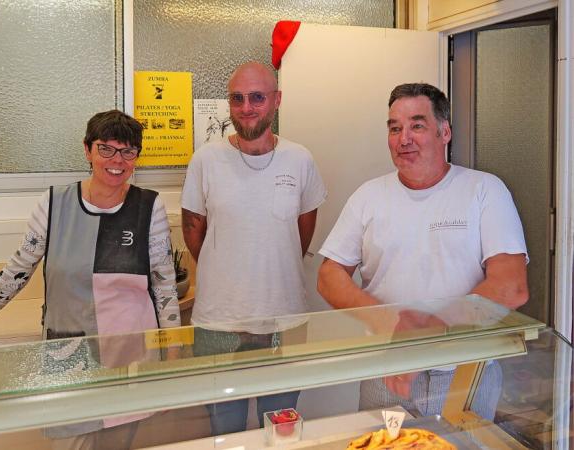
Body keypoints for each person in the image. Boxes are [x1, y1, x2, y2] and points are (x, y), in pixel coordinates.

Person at [0, 110, 182, 450]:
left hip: (130, 351)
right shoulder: (53, 204)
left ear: (136, 156)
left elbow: (164, 285)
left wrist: (172, 361)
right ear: (87, 150)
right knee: (68, 440)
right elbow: (16, 272)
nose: (116, 160)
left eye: (127, 151)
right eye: (105, 149)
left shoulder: (148, 207)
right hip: (67, 352)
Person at [317, 83, 529, 420]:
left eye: (417, 125)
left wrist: (428, 327)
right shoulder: (368, 197)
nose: (404, 139)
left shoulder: (484, 190)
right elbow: (329, 275)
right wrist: (391, 321)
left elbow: (511, 285)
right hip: (388, 369)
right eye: (394, 128)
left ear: (444, 132)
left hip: (464, 372)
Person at [181, 61, 327, 435]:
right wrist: (227, 265)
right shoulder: (206, 160)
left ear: (276, 100)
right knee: (224, 431)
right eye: (238, 98)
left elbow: (302, 231)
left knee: (281, 431)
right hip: (218, 321)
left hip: (285, 317)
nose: (247, 107)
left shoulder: (300, 159)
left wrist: (270, 262)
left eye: (257, 97)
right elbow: (194, 230)